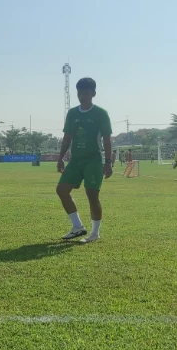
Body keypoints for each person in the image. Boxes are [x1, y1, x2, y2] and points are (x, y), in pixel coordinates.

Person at [56, 77, 112, 243]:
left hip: (94, 160)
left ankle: (95, 233)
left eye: (86, 91)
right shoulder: (73, 113)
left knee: (92, 195)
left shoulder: (100, 113)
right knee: (62, 190)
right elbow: (67, 137)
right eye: (80, 91)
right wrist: (60, 158)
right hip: (76, 160)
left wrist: (108, 162)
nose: (82, 95)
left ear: (93, 93)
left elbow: (107, 139)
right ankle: (78, 227)